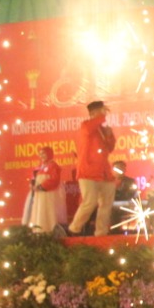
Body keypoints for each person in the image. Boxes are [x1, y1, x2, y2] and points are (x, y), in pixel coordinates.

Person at [67, 100, 117, 237]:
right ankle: (74, 229)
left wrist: (109, 135)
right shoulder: (86, 126)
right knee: (90, 202)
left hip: (104, 173)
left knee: (106, 204)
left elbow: (110, 148)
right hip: (88, 171)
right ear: (93, 113)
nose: (105, 113)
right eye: (102, 111)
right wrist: (101, 117)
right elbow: (90, 128)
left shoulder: (101, 129)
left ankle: (101, 233)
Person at [26, 146, 67, 234]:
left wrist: (41, 187)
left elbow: (54, 180)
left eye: (43, 153)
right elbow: (34, 177)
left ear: (49, 154)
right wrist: (32, 184)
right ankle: (40, 230)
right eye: (40, 154)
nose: (41, 156)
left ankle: (49, 230)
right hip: (39, 195)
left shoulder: (54, 166)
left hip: (49, 194)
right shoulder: (39, 167)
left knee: (48, 211)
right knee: (39, 211)